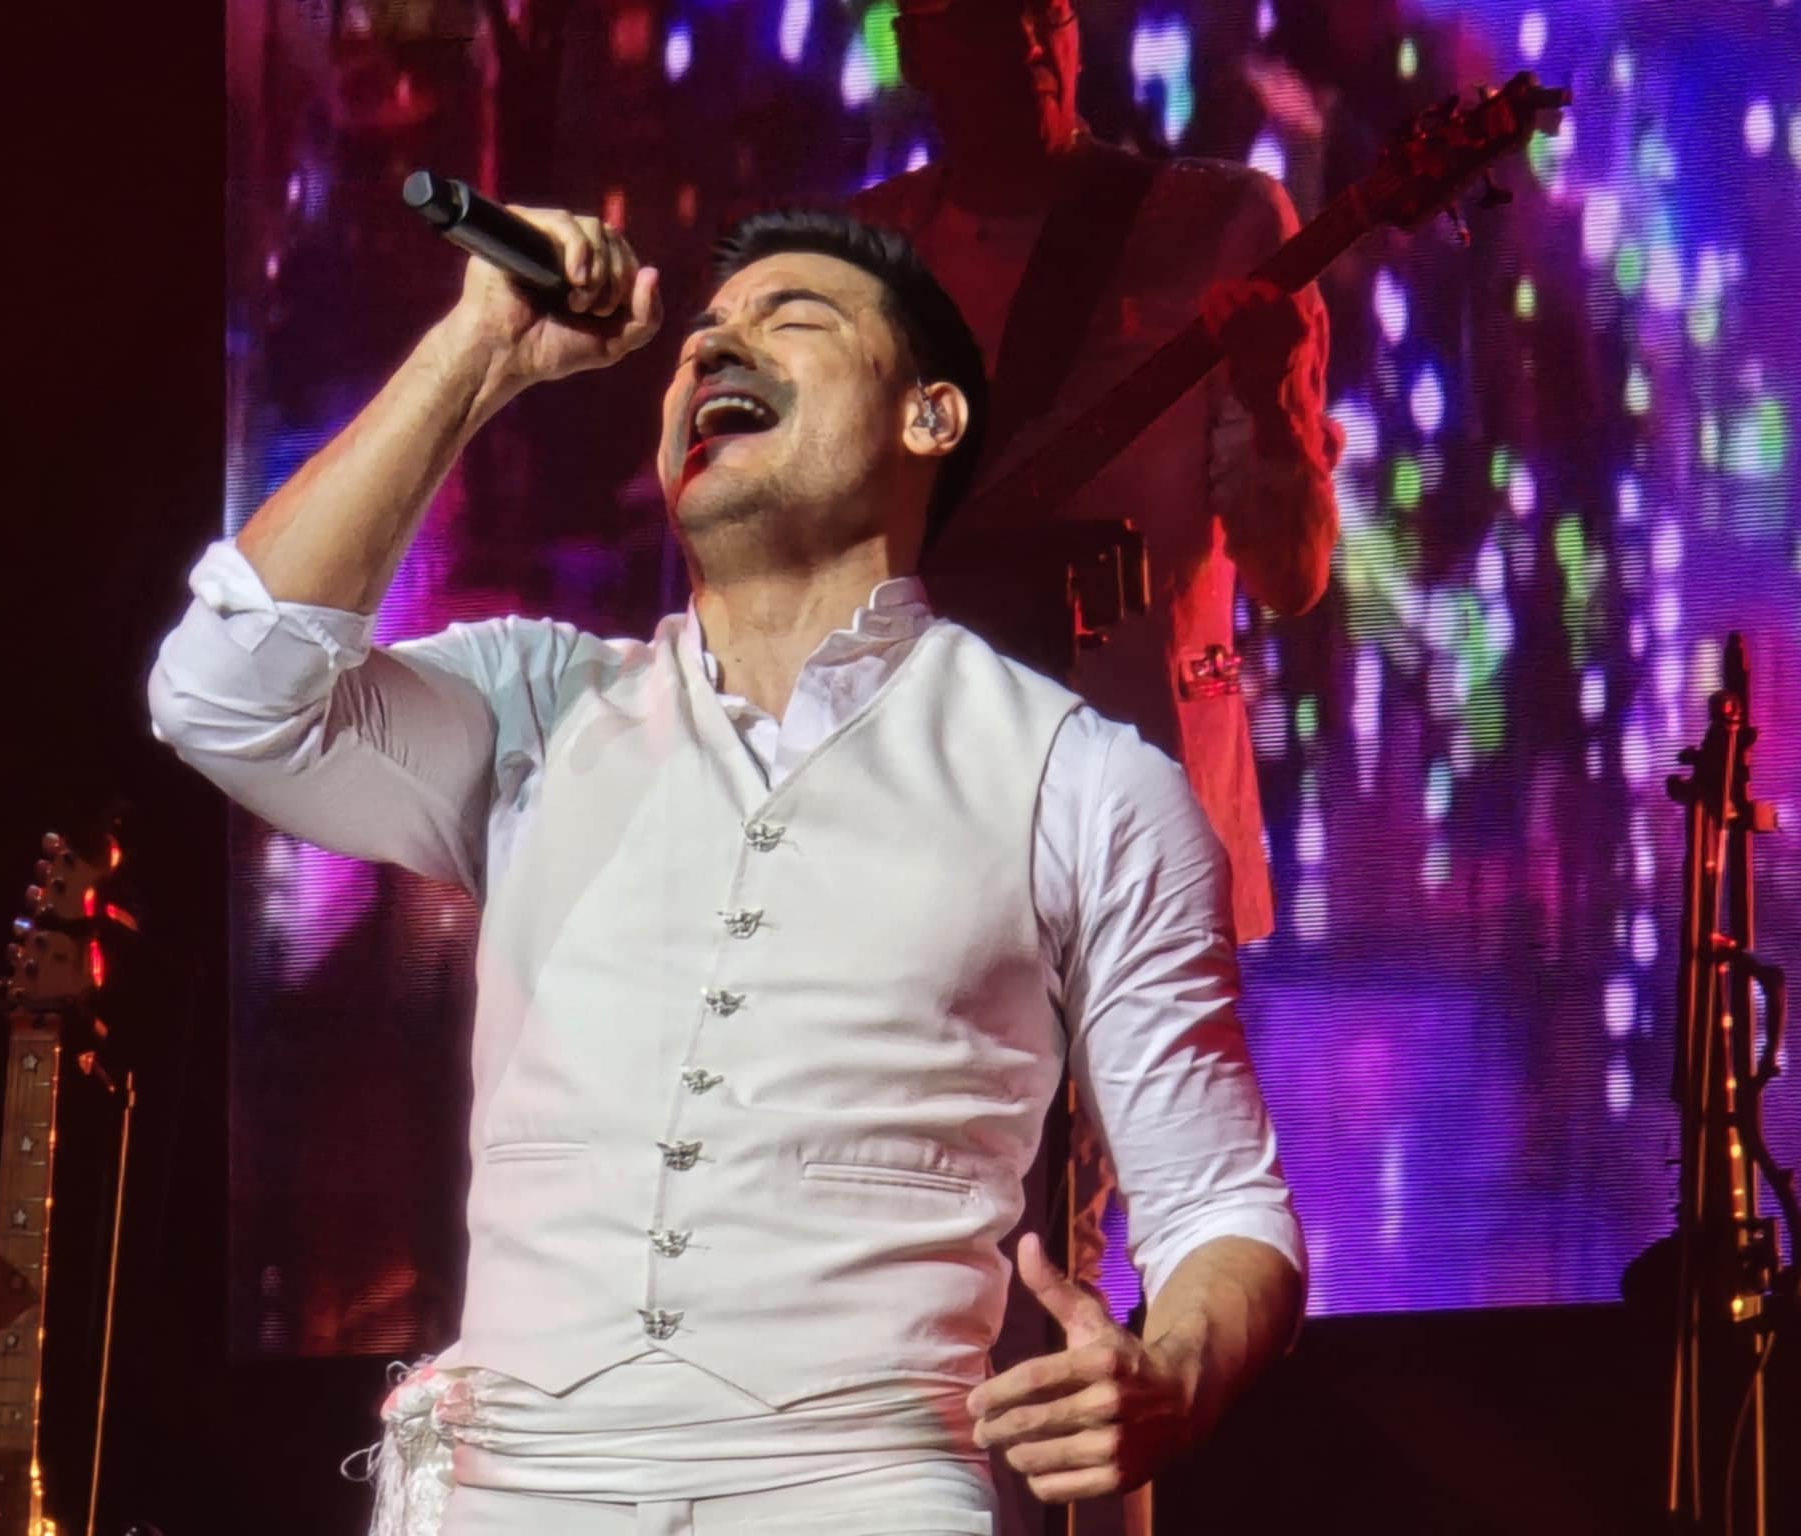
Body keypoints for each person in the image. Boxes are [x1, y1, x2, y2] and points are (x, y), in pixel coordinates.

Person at [149, 204, 1303, 1533]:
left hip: (861, 1492)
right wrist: (477, 354)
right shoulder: (538, 703)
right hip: (507, 1486)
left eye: (789, 318)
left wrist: (1175, 1371)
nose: (712, 351)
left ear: (929, 417)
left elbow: (1222, 1203)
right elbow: (223, 696)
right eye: (699, 337)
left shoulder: (1084, 782)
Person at [854, 0, 1344, 948]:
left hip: (1145, 859)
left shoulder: (1220, 226)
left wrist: (1277, 406)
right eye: (990, 18)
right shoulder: (862, 257)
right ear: (916, 48)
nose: (1029, 41)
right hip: (928, 854)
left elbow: (1292, 577)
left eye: (1050, 11)